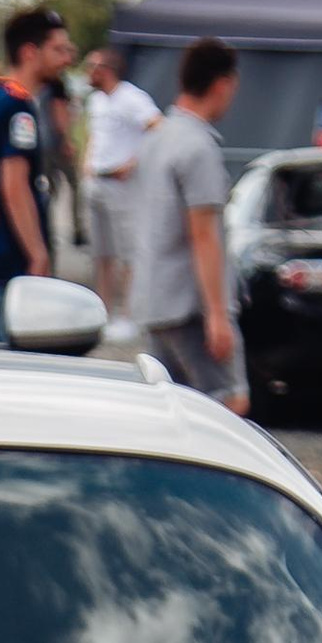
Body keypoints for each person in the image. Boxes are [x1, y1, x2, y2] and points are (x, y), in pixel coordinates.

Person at [130, 37, 242, 400]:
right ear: (223, 84)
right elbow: (204, 235)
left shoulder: (154, 138)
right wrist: (218, 314)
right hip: (189, 307)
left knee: (167, 407)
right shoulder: (199, 147)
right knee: (227, 404)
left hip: (153, 300)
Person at [0, 4, 74, 342]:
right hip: (7, 262)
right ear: (30, 52)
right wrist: (37, 252)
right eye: (58, 49)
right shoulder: (17, 107)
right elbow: (14, 186)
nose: (67, 58)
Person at [81, 43, 160, 318]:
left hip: (121, 184)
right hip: (97, 179)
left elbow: (157, 127)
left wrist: (132, 163)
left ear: (106, 70)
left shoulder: (131, 98)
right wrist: (87, 161)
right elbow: (96, 134)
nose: (87, 72)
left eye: (92, 67)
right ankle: (103, 311)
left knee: (127, 252)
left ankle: (128, 313)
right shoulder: (97, 100)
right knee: (101, 253)